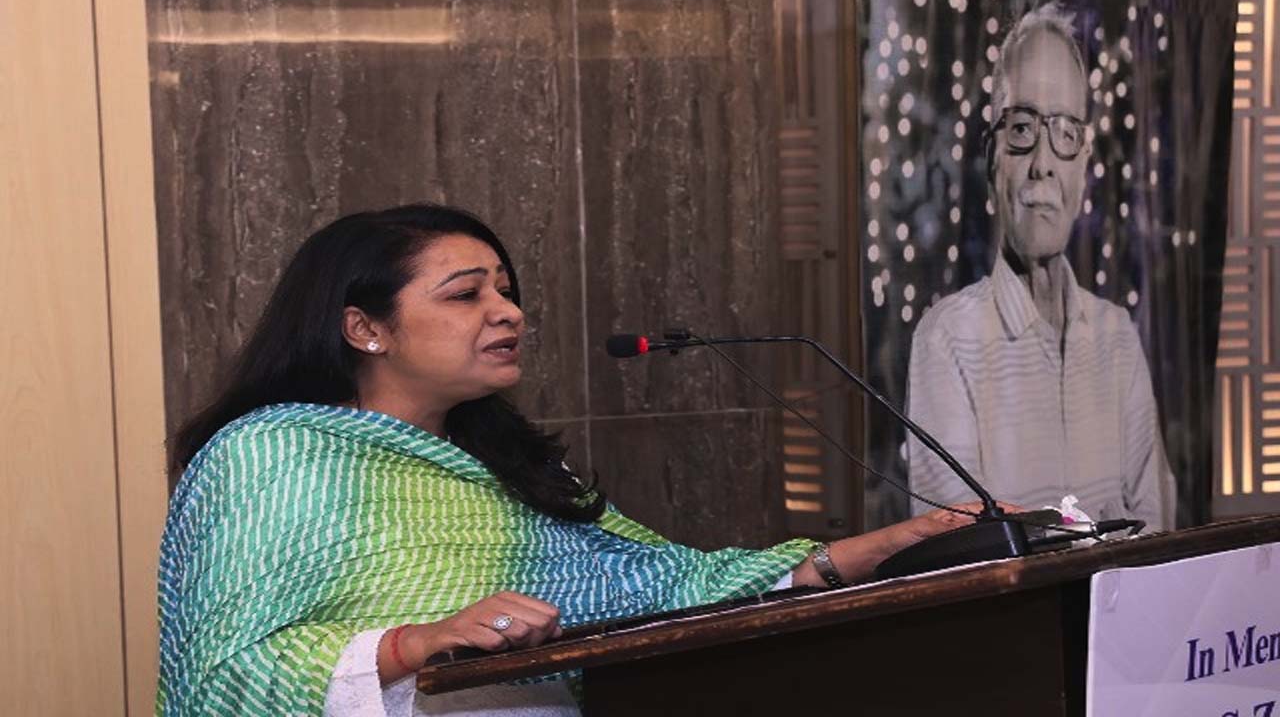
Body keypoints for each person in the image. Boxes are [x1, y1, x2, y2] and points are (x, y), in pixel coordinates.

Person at [158, 203, 983, 716]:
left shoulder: (505, 464)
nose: (507, 312)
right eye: (466, 294)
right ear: (364, 327)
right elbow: (220, 678)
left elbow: (660, 588)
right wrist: (413, 644)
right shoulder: (266, 457)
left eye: (506, 290)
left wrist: (848, 560)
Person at [906, 3, 1174, 530]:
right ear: (992, 159)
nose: (1044, 164)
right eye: (1023, 128)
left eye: (1066, 132)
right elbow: (957, 540)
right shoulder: (947, 338)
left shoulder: (1117, 335)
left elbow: (1157, 524)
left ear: (1084, 170)